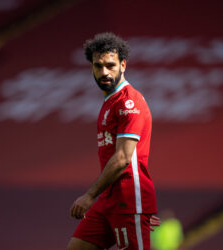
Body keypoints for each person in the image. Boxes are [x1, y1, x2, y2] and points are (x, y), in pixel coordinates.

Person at [68, 32, 159, 250]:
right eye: (98, 66)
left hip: (127, 197)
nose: (104, 72)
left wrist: (90, 195)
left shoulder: (129, 102)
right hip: (111, 199)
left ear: (123, 65)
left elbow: (122, 158)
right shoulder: (110, 102)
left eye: (110, 65)